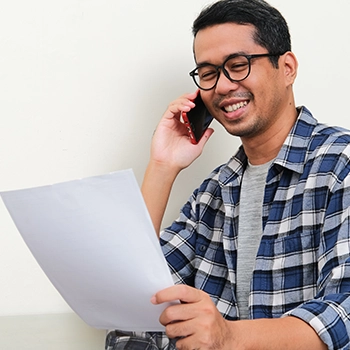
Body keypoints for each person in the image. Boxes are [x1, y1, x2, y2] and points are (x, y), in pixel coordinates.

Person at [106, 0, 350, 349]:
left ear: (287, 67)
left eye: (238, 65)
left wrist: (228, 336)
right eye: (208, 73)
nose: (221, 86)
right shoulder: (214, 194)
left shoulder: (341, 165)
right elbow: (129, 300)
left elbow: (345, 313)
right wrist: (162, 166)